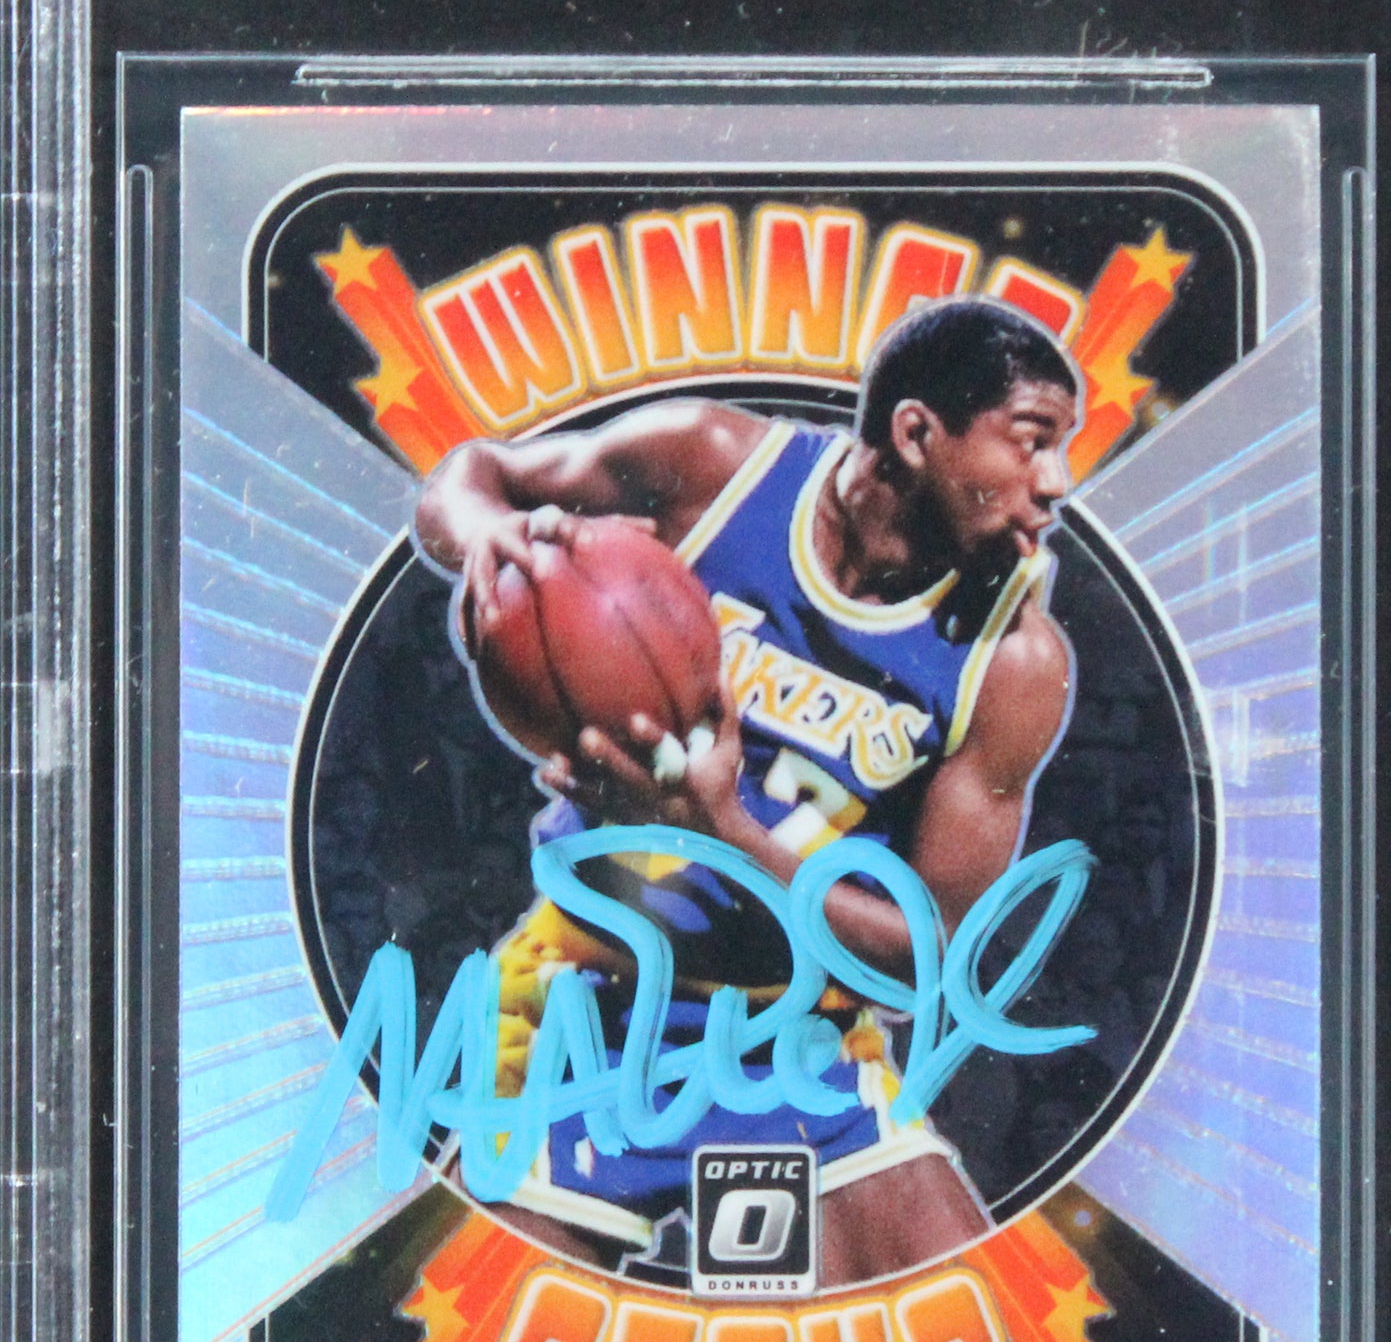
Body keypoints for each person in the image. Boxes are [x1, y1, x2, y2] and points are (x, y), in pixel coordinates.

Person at [414, 295, 1081, 1286]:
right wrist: (487, 536)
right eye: (1031, 442)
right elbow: (472, 474)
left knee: (975, 1335)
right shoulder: (718, 466)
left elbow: (933, 960)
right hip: (590, 1000)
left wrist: (723, 829)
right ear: (915, 433)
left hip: (795, 1035)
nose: (1057, 482)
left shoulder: (1014, 661)